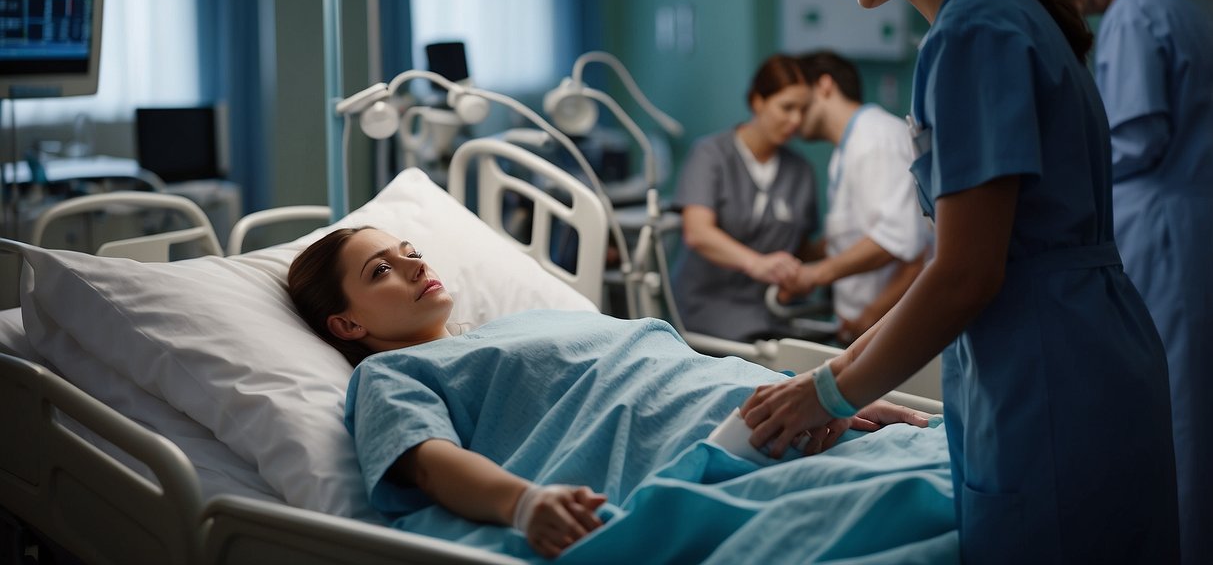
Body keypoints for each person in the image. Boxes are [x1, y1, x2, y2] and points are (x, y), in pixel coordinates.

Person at [740, 0, 1180, 564]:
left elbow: (966, 272)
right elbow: (958, 267)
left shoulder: (973, 34)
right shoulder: (997, 15)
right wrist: (837, 376)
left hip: (1049, 372)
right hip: (1073, 356)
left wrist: (828, 394)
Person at [286, 225, 936, 561]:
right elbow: (426, 463)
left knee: (961, 470)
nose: (414, 266)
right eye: (382, 271)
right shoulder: (390, 376)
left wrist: (831, 392)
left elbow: (683, 368)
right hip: (708, 457)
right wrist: (522, 505)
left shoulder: (518, 324)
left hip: (784, 411)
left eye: (408, 251)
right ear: (348, 324)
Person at [1033, 0, 1213, 565]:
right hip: (1184, 226)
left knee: (1175, 414)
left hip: (1162, 230)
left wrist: (1050, 169)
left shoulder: (1134, 14)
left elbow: (1133, 138)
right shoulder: (1175, 5)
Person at [782, 50, 932, 344]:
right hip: (863, 327)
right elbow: (853, 233)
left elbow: (901, 246)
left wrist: (815, 277)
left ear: (824, 86)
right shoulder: (846, 148)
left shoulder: (876, 141)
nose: (794, 116)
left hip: (885, 328)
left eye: (799, 100)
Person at [670, 54, 820, 341]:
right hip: (710, 305)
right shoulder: (711, 156)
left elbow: (802, 247)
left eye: (803, 110)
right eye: (787, 108)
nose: (795, 120)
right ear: (757, 101)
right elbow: (697, 233)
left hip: (775, 308)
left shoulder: (800, 170)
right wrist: (756, 264)